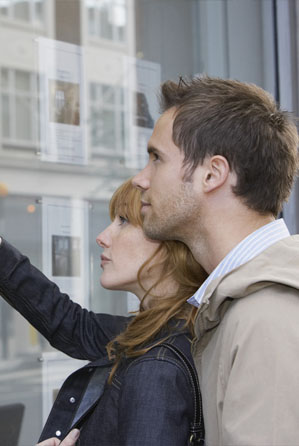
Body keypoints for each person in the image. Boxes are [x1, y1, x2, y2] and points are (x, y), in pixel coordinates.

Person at [0, 174, 207, 445]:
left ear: (171, 244)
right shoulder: (156, 333)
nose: (103, 237)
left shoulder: (157, 364)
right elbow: (69, 323)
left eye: (123, 221)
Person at [132, 76, 299, 445]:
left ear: (212, 174)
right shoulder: (244, 302)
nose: (140, 179)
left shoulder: (265, 317)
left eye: (156, 158)